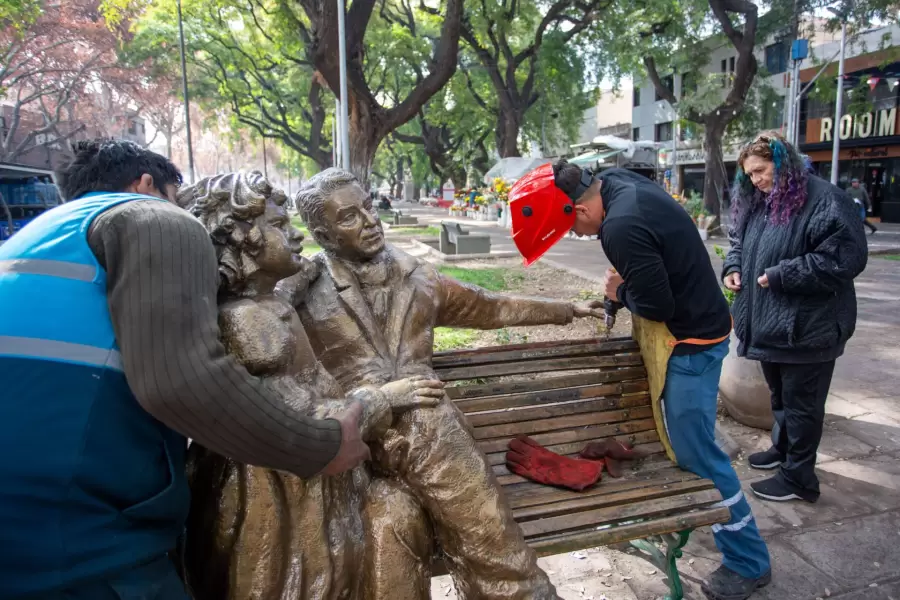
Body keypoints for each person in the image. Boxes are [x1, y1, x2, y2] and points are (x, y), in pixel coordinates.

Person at [0, 140, 372, 600]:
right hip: (78, 528)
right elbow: (180, 380)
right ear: (147, 184)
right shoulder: (153, 217)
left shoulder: (46, 233)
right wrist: (320, 446)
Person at [287, 168, 606, 600]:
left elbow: (491, 307)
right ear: (322, 234)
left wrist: (566, 309)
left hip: (415, 451)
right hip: (354, 444)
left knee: (392, 518)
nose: (369, 220)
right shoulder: (305, 289)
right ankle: (522, 590)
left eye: (368, 205)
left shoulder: (417, 277)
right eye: (349, 217)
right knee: (425, 413)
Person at [506, 161, 772, 600]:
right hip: (701, 326)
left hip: (692, 344)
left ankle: (749, 560)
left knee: (700, 455)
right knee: (693, 450)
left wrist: (619, 293)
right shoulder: (618, 183)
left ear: (581, 209)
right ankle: (713, 516)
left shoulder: (620, 226)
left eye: (572, 229)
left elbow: (657, 304)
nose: (578, 237)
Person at [723, 133, 867, 506]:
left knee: (803, 406)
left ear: (782, 163)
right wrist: (733, 266)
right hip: (772, 327)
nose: (755, 180)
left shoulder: (826, 199)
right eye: (749, 175)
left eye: (760, 171)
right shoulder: (763, 201)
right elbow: (739, 241)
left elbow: (844, 259)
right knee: (781, 399)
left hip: (809, 329)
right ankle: (783, 451)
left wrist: (783, 274)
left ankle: (799, 478)